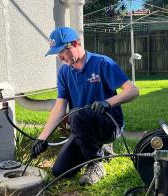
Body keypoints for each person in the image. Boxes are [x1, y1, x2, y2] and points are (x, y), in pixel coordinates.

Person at [30, 27, 139, 185]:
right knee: (60, 171)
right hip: (82, 126)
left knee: (76, 114)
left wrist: (108, 103)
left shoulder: (102, 63)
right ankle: (101, 149)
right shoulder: (64, 73)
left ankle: (96, 163)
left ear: (74, 43)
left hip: (109, 124)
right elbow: (60, 108)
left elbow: (133, 91)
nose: (59, 57)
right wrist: (42, 138)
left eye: (61, 51)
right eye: (56, 54)